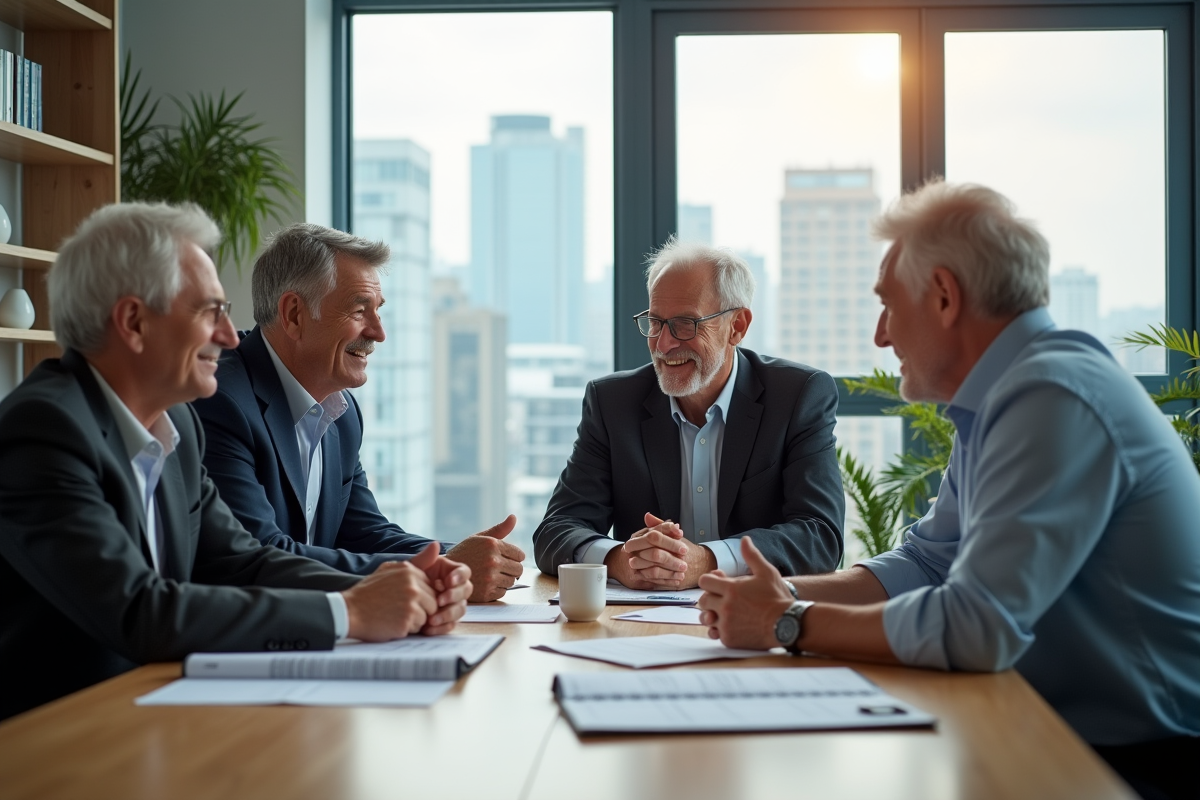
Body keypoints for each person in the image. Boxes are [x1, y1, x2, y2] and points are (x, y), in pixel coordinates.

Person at [697, 181, 1200, 800]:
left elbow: (975, 626)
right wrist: (771, 595)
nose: (880, 336)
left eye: (887, 304)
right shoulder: (1006, 394)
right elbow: (927, 563)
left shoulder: (1052, 395)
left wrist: (788, 623)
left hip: (1145, 764)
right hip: (1050, 731)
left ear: (943, 296)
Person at [0, 204, 472, 721]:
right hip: (53, 738)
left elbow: (244, 561)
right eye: (210, 312)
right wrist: (352, 611)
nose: (229, 336)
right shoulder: (43, 428)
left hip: (153, 713)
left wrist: (409, 586)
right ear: (134, 323)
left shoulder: (177, 424)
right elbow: (139, 609)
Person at [191, 224, 522, 602]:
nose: (379, 333)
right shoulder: (220, 400)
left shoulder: (342, 414)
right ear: (294, 314)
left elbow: (364, 533)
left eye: (378, 312)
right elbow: (261, 555)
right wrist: (437, 573)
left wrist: (458, 557)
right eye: (359, 310)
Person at [533, 239, 844, 590]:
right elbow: (555, 530)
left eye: (685, 324)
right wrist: (619, 559)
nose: (664, 344)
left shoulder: (798, 396)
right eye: (655, 322)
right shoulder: (612, 403)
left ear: (737, 326)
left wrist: (709, 561)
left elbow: (820, 536)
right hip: (640, 628)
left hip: (752, 618)